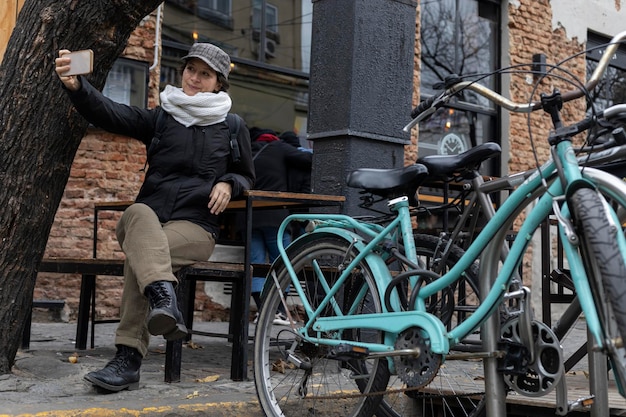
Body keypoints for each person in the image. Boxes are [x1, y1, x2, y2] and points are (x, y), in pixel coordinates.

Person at [54, 43, 255, 392]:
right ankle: (164, 298)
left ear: (219, 83)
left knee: (143, 255)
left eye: (204, 74)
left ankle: (128, 359)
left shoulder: (232, 127)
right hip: (149, 218)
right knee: (137, 214)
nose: (194, 78)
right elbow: (110, 113)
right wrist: (77, 86)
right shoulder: (162, 116)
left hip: (196, 227)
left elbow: (248, 175)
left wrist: (229, 182)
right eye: (191, 69)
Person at [248, 128, 312, 325]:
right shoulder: (278, 148)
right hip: (276, 217)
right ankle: (278, 312)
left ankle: (262, 311)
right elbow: (309, 161)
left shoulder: (247, 153)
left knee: (256, 265)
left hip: (249, 218)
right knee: (282, 264)